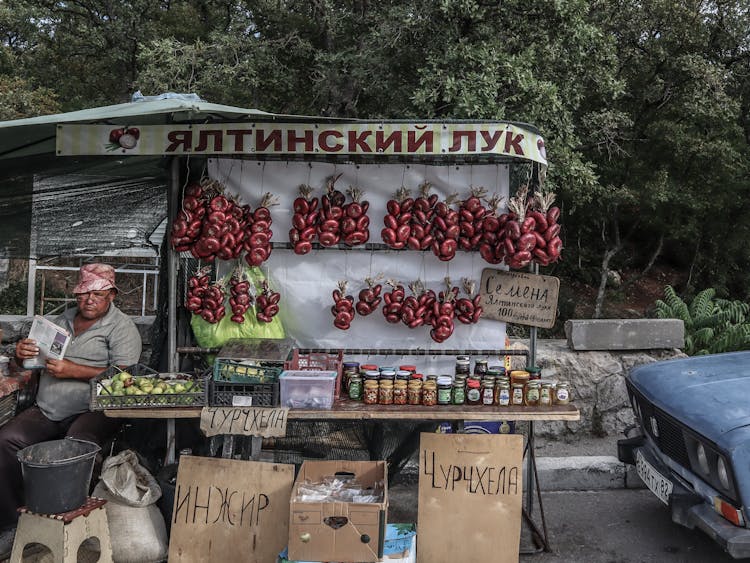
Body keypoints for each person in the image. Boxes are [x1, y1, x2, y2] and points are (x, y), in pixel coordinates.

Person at [0, 263, 142, 556]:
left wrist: (74, 370)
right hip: (49, 409)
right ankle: (14, 524)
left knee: (77, 447)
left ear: (112, 294)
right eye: (83, 293)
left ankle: (68, 524)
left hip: (95, 410)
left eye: (98, 293)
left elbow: (127, 376)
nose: (89, 299)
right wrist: (19, 356)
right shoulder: (59, 322)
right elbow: (23, 368)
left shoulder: (121, 327)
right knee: (6, 440)